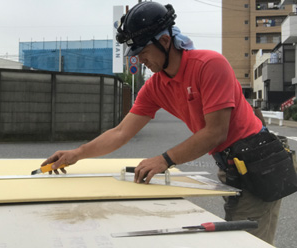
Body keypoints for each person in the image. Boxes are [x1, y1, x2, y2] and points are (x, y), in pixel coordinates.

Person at [42, 2, 286, 245]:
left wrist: (164, 160)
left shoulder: (209, 65)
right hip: (232, 165)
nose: (139, 59)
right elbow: (120, 132)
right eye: (135, 54)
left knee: (245, 241)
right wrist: (77, 153)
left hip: (258, 161)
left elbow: (215, 132)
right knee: (234, 234)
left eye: (143, 51)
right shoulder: (155, 87)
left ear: (166, 41)